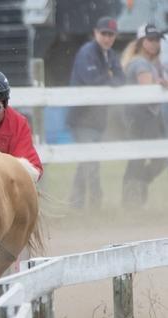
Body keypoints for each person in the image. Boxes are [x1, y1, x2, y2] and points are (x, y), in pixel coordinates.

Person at [66, 16, 126, 210]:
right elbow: (92, 80)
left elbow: (121, 78)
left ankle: (79, 203)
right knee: (89, 162)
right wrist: (109, 77)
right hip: (82, 117)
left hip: (97, 118)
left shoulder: (110, 54)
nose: (108, 38)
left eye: (111, 35)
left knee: (89, 162)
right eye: (104, 34)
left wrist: (109, 78)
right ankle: (92, 202)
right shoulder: (87, 52)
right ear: (96, 33)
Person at [120, 24, 168, 207]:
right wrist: (160, 83)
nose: (155, 44)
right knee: (140, 158)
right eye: (150, 40)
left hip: (148, 118)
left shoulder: (153, 64)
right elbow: (147, 87)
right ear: (141, 42)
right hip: (139, 118)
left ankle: (136, 192)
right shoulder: (139, 63)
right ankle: (132, 199)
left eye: (157, 40)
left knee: (149, 157)